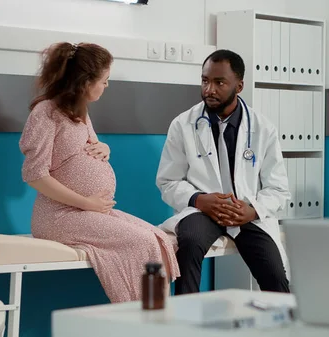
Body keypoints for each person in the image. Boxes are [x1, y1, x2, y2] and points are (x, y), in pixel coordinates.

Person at [19, 42, 180, 303]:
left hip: (87, 211)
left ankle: (154, 316)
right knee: (141, 242)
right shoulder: (45, 113)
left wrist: (104, 148)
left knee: (158, 238)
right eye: (104, 80)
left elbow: (86, 149)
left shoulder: (79, 112)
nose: (107, 86)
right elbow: (35, 175)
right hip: (58, 217)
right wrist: (86, 202)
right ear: (84, 81)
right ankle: (141, 316)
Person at [156, 49, 291, 295]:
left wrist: (253, 210)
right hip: (202, 211)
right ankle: (185, 323)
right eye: (205, 81)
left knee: (275, 277)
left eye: (219, 83)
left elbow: (278, 189)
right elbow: (168, 181)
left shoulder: (263, 128)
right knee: (189, 243)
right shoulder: (182, 124)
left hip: (246, 214)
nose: (209, 89)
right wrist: (199, 199)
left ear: (239, 86)